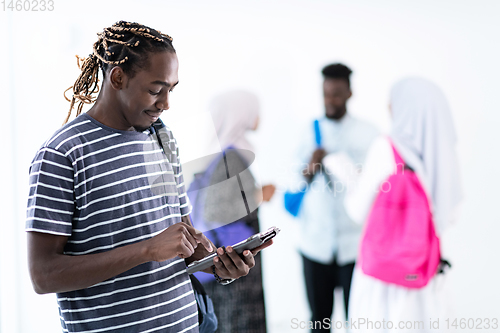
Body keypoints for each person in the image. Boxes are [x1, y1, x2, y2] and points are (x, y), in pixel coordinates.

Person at [26, 21, 271, 333]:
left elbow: (184, 236)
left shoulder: (162, 138)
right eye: (156, 90)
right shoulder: (63, 154)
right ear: (117, 77)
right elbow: (43, 275)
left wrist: (219, 264)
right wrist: (146, 249)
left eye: (171, 90)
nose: (166, 104)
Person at [339, 77, 462, 332]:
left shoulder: (386, 148)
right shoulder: (442, 153)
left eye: (393, 101)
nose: (388, 106)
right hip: (426, 276)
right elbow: (448, 215)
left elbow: (357, 211)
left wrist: (346, 174)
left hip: (383, 282)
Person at [293, 63, 378, 331]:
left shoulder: (369, 134)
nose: (331, 101)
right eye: (326, 94)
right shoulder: (307, 133)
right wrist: (311, 166)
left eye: (337, 94)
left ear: (350, 93)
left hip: (356, 247)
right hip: (315, 246)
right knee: (319, 322)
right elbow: (291, 184)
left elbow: (377, 184)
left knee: (360, 321)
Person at [187, 90, 276, 333]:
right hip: (233, 266)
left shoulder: (218, 152)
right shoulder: (232, 156)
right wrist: (259, 196)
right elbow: (218, 208)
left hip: (220, 264)